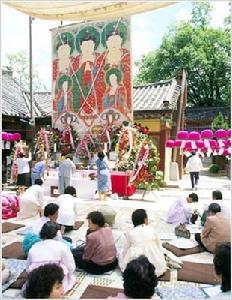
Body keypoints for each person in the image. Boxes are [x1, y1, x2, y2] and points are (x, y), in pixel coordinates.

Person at [26, 221, 76, 293]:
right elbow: (71, 267)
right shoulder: (62, 246)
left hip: (38, 282)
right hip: (56, 282)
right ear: (57, 234)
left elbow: (28, 269)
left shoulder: (34, 247)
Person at [119, 209, 167, 277]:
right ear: (145, 220)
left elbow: (125, 250)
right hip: (155, 263)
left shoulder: (131, 233)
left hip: (137, 260)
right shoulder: (151, 229)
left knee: (122, 253)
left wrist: (122, 258)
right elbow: (159, 246)